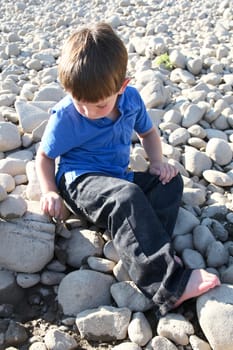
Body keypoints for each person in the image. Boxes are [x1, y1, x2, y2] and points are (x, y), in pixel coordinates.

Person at [36, 22, 220, 316]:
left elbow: (148, 134)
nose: (87, 111)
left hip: (117, 179)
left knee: (169, 184)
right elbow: (44, 156)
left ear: (122, 87)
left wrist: (157, 163)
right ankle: (167, 283)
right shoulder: (66, 116)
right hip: (80, 182)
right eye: (79, 102)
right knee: (126, 196)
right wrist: (49, 191)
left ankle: (148, 247)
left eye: (98, 106)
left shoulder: (131, 100)